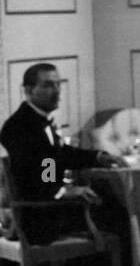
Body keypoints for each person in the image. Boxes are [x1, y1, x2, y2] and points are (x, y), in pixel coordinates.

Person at [0, 63, 124, 244]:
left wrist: (98, 157)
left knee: (111, 199)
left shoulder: (38, 121)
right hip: (40, 217)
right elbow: (34, 173)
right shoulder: (18, 127)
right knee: (116, 214)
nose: (57, 91)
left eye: (58, 85)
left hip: (51, 208)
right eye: (48, 85)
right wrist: (62, 191)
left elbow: (58, 155)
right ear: (28, 90)